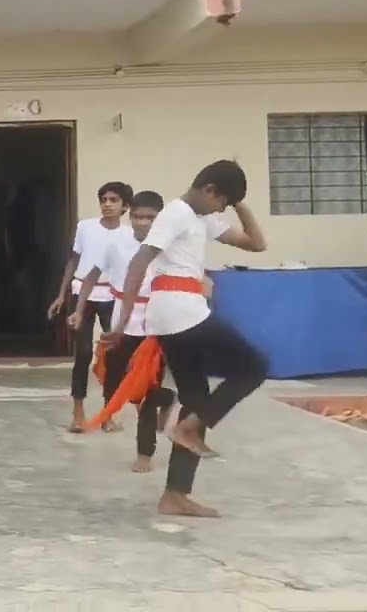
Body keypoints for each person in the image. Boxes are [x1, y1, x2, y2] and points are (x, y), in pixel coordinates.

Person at [101, 161, 268, 517]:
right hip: (180, 310)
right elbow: (138, 263)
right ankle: (191, 426)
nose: (223, 208)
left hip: (175, 312)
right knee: (254, 366)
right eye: (223, 200)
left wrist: (240, 202)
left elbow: (257, 244)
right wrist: (121, 321)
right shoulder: (175, 213)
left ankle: (174, 494)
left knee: (195, 396)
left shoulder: (202, 218)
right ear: (209, 189)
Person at [70, 191, 178, 469]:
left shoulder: (171, 247)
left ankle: (145, 453)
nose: (143, 223)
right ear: (130, 217)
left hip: (157, 323)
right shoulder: (117, 243)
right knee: (115, 378)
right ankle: (159, 401)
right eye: (138, 217)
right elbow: (91, 277)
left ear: (160, 219)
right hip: (123, 321)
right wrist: (79, 309)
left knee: (148, 386)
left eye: (150, 218)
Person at [47, 181, 133, 433]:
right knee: (83, 354)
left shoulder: (129, 234)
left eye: (113, 200)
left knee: (114, 357)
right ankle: (78, 413)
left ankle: (108, 414)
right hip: (81, 294)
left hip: (112, 295)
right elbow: (73, 262)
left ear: (125, 206)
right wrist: (61, 295)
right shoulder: (85, 227)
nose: (107, 204)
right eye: (104, 199)